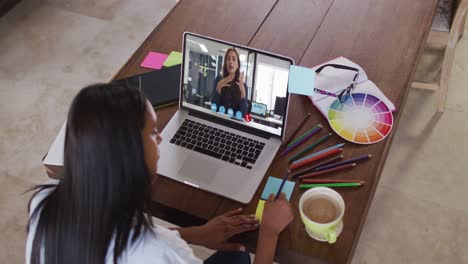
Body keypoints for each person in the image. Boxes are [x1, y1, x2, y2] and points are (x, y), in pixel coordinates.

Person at [26, 82, 293, 264]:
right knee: (241, 255)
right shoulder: (160, 252)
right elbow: (152, 247)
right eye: (153, 133)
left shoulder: (44, 202)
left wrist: (196, 234)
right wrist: (269, 233)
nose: (162, 139)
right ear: (130, 157)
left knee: (235, 256)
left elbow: (114, 241)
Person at [212, 48, 249, 117]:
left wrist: (242, 90)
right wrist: (219, 85)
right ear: (225, 63)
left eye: (234, 59)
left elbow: (243, 115)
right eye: (228, 59)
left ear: (238, 65)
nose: (230, 62)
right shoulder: (218, 80)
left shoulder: (244, 86)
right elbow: (213, 109)